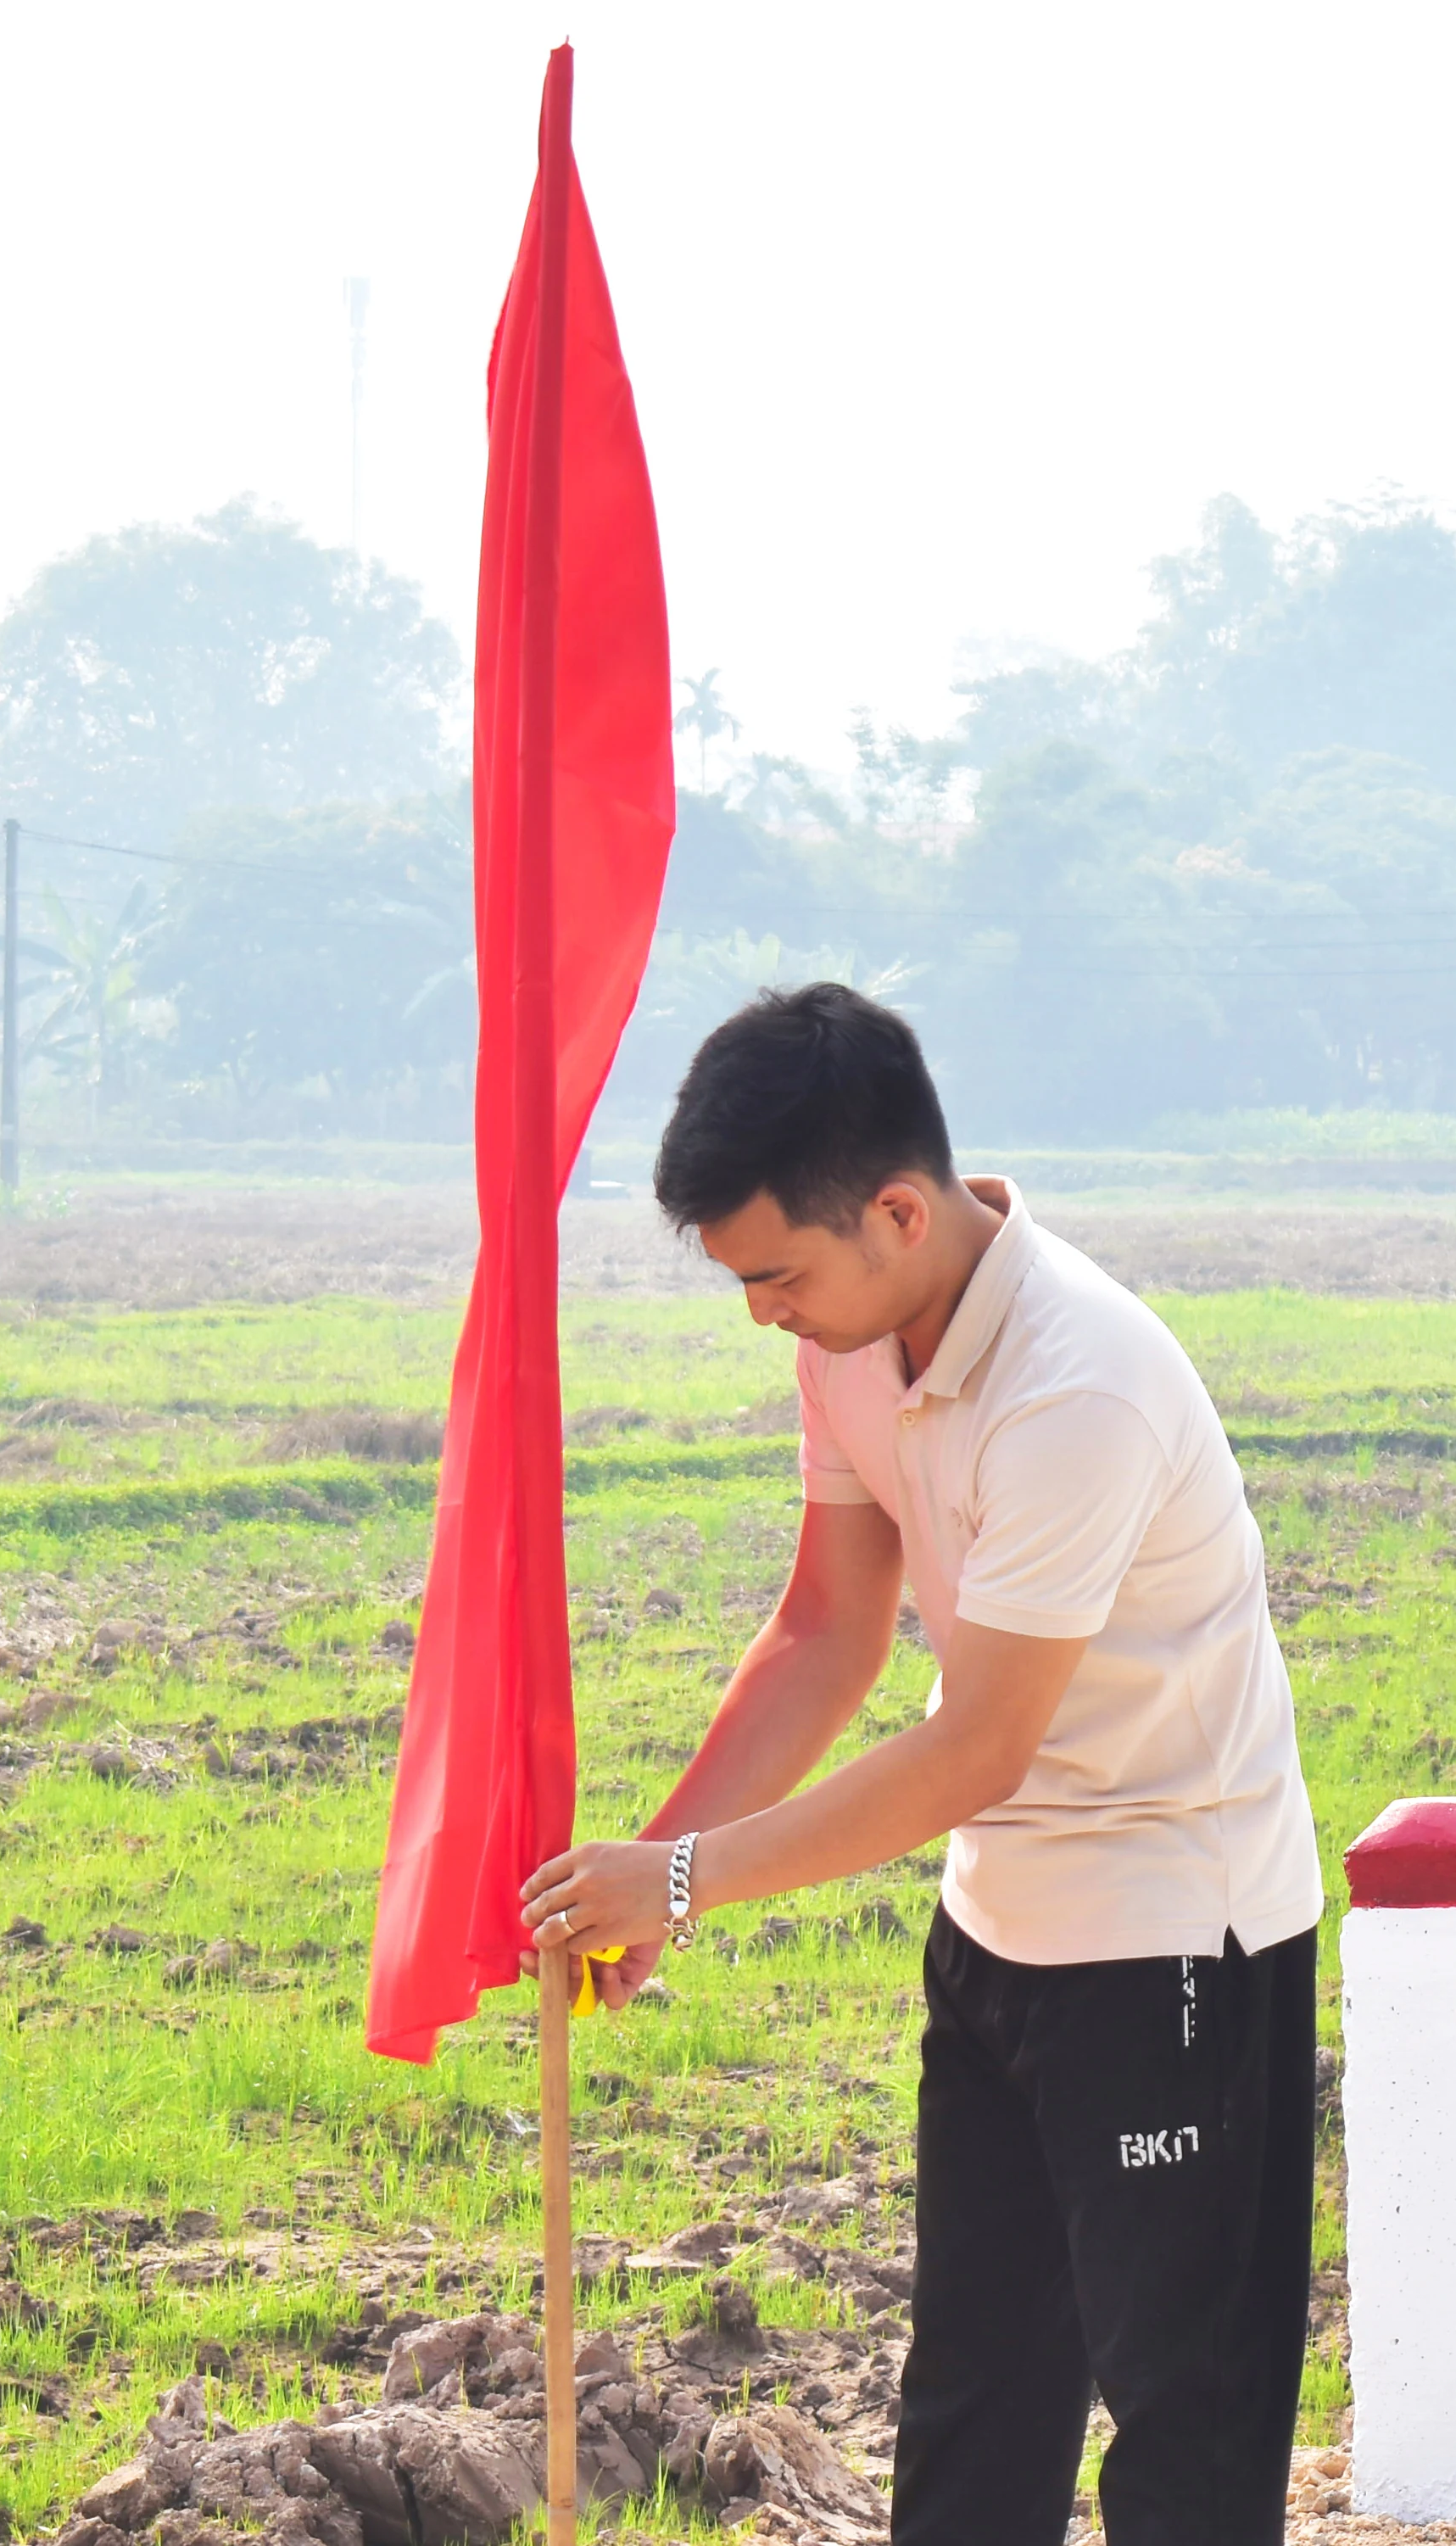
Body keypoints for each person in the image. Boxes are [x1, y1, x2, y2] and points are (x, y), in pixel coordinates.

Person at [517, 985, 1322, 2545]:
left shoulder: (1077, 1381)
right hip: (997, 1937)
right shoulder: (855, 1341)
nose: (763, 1314)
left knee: (1187, 2438)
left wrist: (680, 1881)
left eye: (777, 1274)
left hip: (1171, 1945)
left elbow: (976, 1745)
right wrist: (649, 1879)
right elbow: (829, 1631)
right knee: (975, 2404)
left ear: (896, 1209)